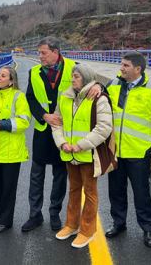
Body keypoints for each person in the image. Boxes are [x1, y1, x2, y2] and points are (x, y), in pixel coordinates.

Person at [22, 36, 100, 232]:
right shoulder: (34, 72)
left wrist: (99, 86)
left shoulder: (74, 67)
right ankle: (35, 215)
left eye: (43, 53)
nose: (40, 56)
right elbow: (30, 98)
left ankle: (54, 213)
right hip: (43, 129)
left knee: (59, 175)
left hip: (65, 132)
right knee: (37, 174)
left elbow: (92, 81)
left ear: (56, 52)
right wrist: (43, 116)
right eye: (39, 53)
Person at [104, 52, 151, 248]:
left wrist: (143, 136)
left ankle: (148, 229)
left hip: (138, 151)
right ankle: (118, 223)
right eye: (121, 64)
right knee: (116, 190)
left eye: (125, 65)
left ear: (138, 69)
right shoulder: (113, 84)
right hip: (115, 150)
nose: (121, 68)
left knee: (141, 193)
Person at [52, 64, 113, 248]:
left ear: (85, 78)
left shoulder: (98, 98)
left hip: (88, 154)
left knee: (90, 192)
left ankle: (87, 230)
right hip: (69, 153)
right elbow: (57, 123)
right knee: (73, 190)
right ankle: (71, 225)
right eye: (72, 76)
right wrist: (62, 143)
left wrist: (80, 145)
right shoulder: (65, 97)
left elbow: (103, 128)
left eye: (76, 76)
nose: (73, 79)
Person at [0, 66, 30, 233]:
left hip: (12, 149)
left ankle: (6, 220)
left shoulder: (19, 96)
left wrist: (2, 124)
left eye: (3, 76)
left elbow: (24, 121)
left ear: (11, 80)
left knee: (8, 188)